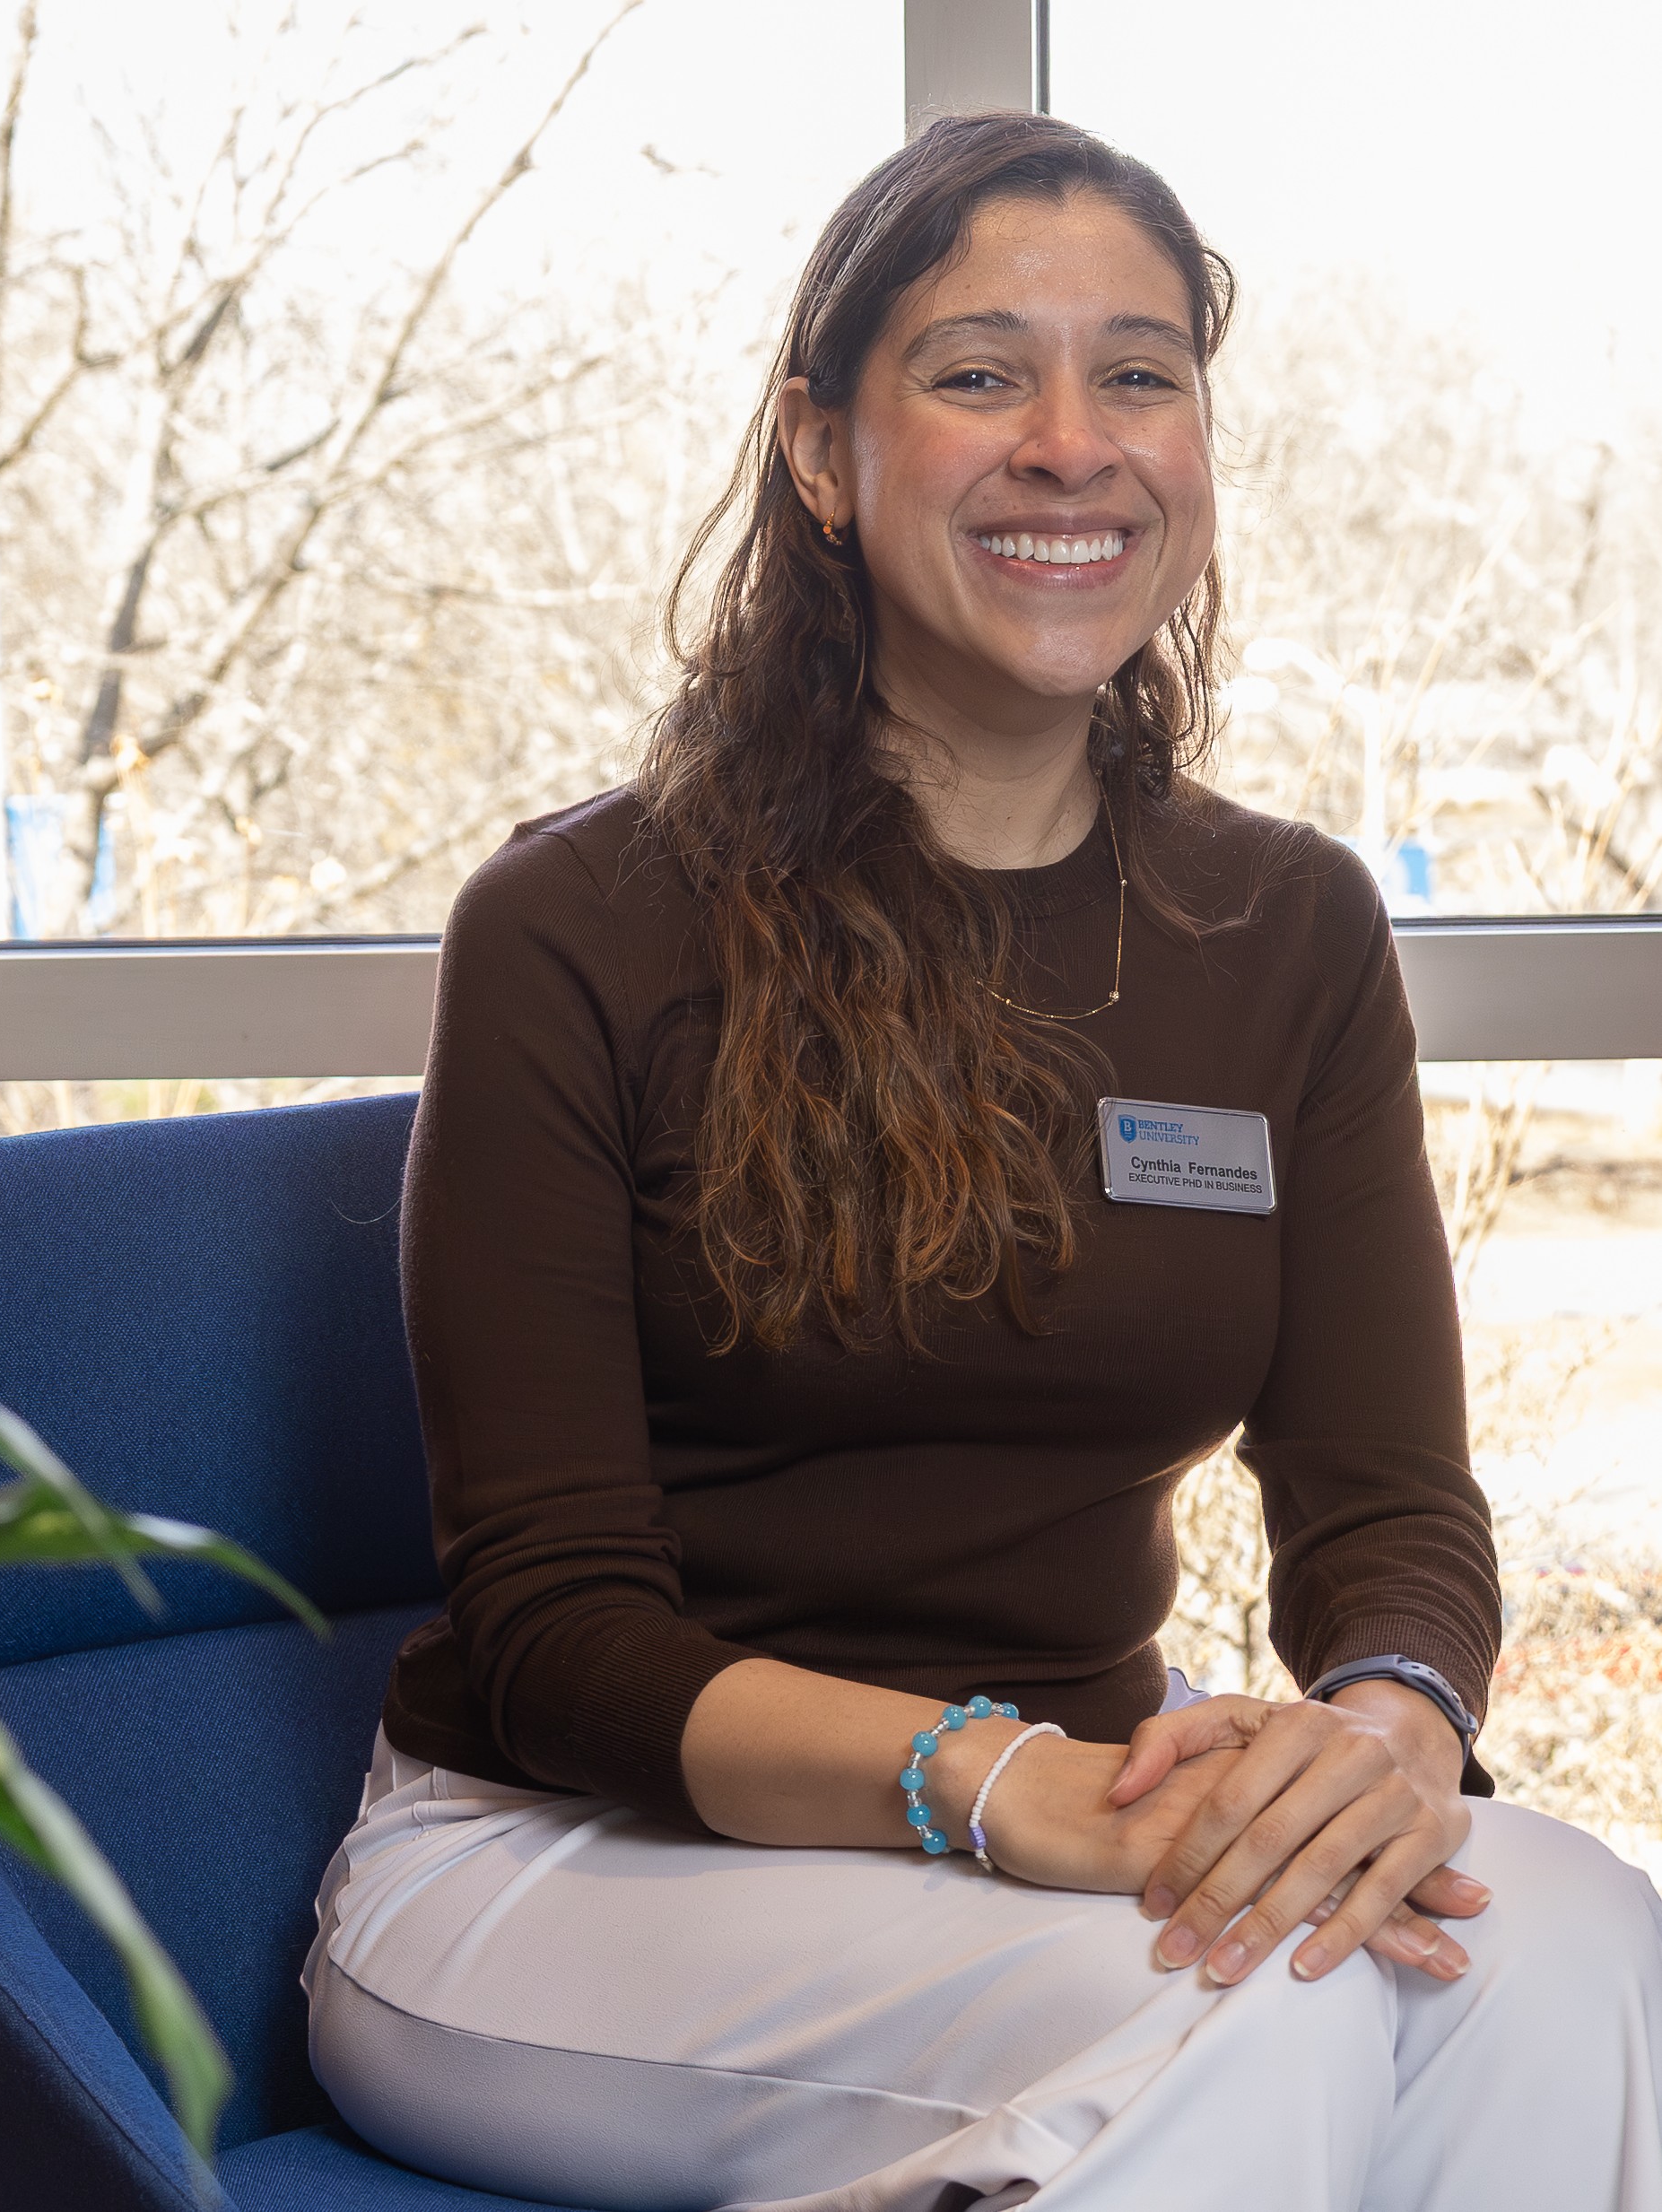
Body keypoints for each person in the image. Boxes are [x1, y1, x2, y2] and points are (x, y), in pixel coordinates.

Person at [303, 112, 1662, 2212]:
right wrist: (994, 1780)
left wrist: (1385, 1735)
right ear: (821, 457)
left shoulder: (1282, 926)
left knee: (1566, 1938)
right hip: (571, 1866)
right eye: (973, 373)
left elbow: (1386, 1505)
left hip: (1074, 1820)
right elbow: (560, 1633)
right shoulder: (580, 926)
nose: (1070, 441)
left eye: (1137, 374)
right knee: (1260, 1999)